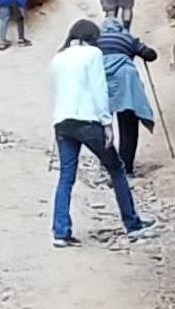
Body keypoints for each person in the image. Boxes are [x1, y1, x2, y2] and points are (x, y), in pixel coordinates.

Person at [50, 19, 156, 246]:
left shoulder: (58, 57)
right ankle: (132, 224)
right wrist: (107, 123)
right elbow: (99, 90)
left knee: (66, 176)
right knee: (116, 168)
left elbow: (58, 92)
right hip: (87, 121)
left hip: (62, 122)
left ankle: (60, 232)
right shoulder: (93, 54)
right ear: (92, 37)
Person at [98, 14, 158, 175]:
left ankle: (106, 162)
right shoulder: (127, 37)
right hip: (126, 82)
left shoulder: (97, 39)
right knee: (128, 125)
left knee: (102, 123)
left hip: (101, 83)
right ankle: (126, 167)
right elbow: (150, 55)